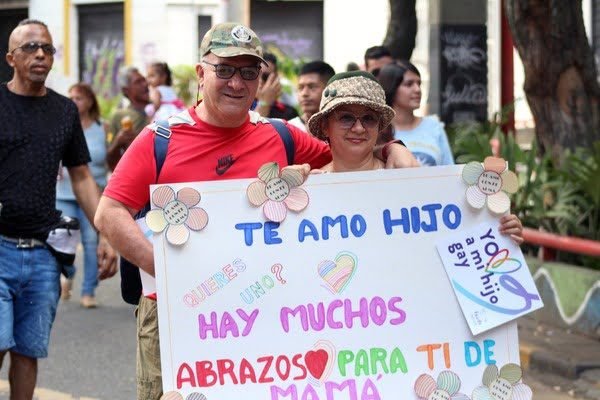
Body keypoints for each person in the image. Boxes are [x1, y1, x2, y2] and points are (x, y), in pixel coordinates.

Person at [94, 22, 418, 400]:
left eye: (249, 72)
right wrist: (174, 276)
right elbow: (110, 212)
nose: (237, 83)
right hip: (174, 314)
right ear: (201, 73)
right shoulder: (160, 139)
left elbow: (350, 153)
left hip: (259, 313)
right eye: (225, 70)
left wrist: (391, 146)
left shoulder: (281, 135)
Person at [0, 19, 117, 399]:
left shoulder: (64, 111)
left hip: (43, 253)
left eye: (47, 49)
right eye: (30, 48)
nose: (40, 55)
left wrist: (105, 234)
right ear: (11, 59)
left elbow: (82, 176)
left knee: (28, 351)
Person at [307, 70, 523, 239]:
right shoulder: (309, 190)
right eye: (346, 118)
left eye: (369, 119)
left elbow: (456, 233)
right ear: (326, 126)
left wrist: (500, 231)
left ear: (379, 127)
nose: (358, 128)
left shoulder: (409, 178)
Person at [56, 82, 108, 308]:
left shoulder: (101, 127)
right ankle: (67, 275)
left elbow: (108, 158)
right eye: (71, 97)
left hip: (93, 192)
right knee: (62, 241)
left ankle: (88, 291)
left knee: (89, 241)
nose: (74, 102)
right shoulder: (61, 125)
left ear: (89, 102)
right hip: (64, 193)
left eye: (78, 98)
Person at [378, 61, 455, 166]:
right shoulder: (378, 130)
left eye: (419, 83)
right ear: (391, 88)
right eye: (409, 84)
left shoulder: (434, 126)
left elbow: (449, 170)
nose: (417, 89)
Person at [106, 66, 150, 171]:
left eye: (144, 80)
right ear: (126, 90)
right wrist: (118, 142)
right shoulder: (118, 116)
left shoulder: (161, 109)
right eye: (138, 82)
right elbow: (109, 160)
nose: (145, 84)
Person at [288, 60, 335, 133]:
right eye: (300, 87)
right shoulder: (288, 129)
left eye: (312, 87)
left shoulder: (340, 128)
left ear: (329, 89)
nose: (304, 93)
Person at [253, 52, 298, 120]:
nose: (260, 80)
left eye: (265, 76)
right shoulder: (238, 108)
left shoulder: (288, 113)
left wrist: (264, 103)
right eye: (253, 74)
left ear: (276, 78)